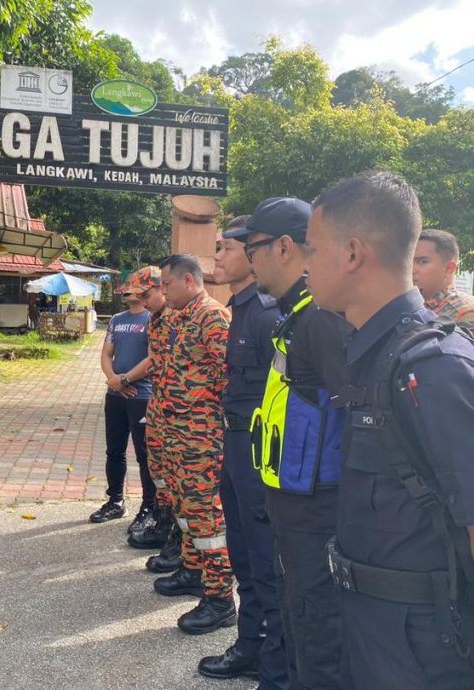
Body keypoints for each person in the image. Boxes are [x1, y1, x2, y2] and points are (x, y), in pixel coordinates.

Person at [305, 170, 474, 689]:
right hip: (375, 629)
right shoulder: (375, 352)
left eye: (312, 249)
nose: (306, 264)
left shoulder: (436, 366)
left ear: (351, 254)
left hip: (431, 650)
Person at [227, 198, 352, 689]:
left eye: (251, 248)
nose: (248, 259)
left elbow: (361, 426)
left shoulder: (321, 322)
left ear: (283, 247)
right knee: (296, 626)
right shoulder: (294, 316)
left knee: (318, 642)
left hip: (319, 517)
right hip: (290, 509)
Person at [196, 215, 288, 688]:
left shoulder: (270, 313)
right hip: (234, 444)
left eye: (224, 249)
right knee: (244, 555)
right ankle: (250, 644)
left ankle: (271, 660)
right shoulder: (242, 309)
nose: (217, 258)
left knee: (264, 557)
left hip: (258, 452)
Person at [153, 253, 235, 635]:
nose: (162, 291)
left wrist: (203, 417)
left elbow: (226, 378)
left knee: (206, 516)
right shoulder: (178, 316)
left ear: (188, 280)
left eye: (167, 284)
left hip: (200, 438)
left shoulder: (213, 316)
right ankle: (192, 570)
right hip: (174, 433)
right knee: (184, 509)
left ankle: (219, 598)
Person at [122, 266, 182, 573]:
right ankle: (162, 524)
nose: (143, 302)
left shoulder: (180, 318)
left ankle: (179, 542)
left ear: (163, 287)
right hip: (161, 408)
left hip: (186, 418)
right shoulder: (157, 319)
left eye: (147, 295)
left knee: (180, 484)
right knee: (158, 473)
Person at [89, 288, 157, 531]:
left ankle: (149, 507)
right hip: (115, 395)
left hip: (142, 396)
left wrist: (125, 380)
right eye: (127, 284)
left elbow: (153, 358)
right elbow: (107, 354)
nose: (129, 289)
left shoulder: (152, 318)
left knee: (145, 455)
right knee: (114, 451)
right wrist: (114, 381)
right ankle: (115, 501)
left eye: (136, 285)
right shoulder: (117, 320)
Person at [412, 228, 474, 349]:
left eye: (422, 262)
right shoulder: (414, 309)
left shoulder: (472, 313)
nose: (412, 269)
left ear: (449, 268)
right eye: (409, 262)